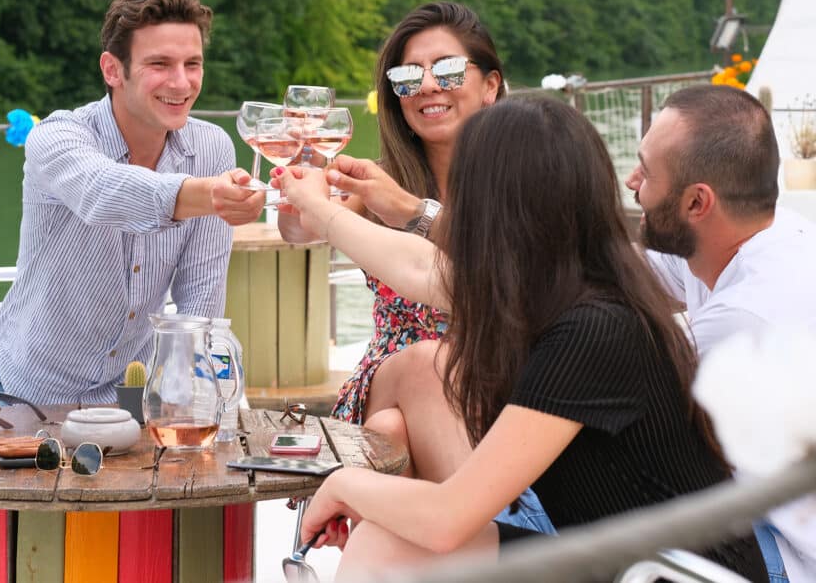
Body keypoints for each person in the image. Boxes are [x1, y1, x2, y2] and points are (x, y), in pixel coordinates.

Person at [273, 96, 767, 581]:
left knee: (389, 545)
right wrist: (319, 210)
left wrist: (343, 485)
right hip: (616, 563)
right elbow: (419, 268)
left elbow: (448, 518)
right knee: (389, 537)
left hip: (678, 576)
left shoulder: (593, 331)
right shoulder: (569, 288)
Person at [0, 0, 265, 566]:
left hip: (122, 394)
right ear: (112, 69)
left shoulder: (210, 148)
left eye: (193, 64)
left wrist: (202, 397)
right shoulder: (58, 138)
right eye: (159, 64)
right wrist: (206, 195)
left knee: (166, 524)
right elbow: (106, 193)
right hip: (22, 381)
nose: (181, 83)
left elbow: (201, 307)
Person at [280, 1, 504, 426]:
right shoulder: (375, 183)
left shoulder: (522, 182)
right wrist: (301, 172)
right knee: (425, 367)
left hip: (496, 385)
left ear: (490, 86)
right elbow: (297, 229)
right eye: (408, 76)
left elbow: (520, 275)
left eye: (448, 70)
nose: (428, 86)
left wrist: (412, 212)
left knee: (390, 430)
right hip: (392, 378)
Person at [626, 84, 816, 582]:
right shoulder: (759, 232)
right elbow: (619, 278)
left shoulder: (747, 318)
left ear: (697, 202)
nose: (630, 182)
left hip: (788, 558)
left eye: (645, 171)